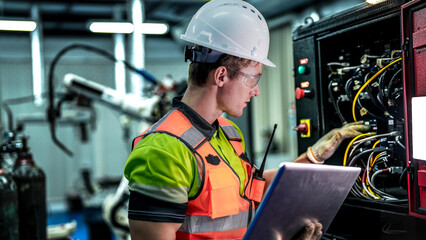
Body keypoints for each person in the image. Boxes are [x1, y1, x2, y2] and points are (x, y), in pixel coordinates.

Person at [123, 0, 370, 239]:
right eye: (253, 78)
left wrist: (314, 157)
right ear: (221, 76)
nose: (256, 91)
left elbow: (253, 190)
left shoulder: (227, 133)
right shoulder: (162, 152)